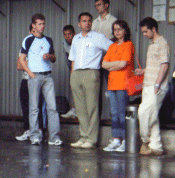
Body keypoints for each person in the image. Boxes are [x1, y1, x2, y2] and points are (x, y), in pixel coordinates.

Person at [69, 12, 112, 148]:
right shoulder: (75, 38)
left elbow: (112, 49)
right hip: (77, 73)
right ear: (79, 23)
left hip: (91, 73)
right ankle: (83, 136)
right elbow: (73, 58)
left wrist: (104, 62)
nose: (87, 23)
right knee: (80, 109)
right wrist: (72, 76)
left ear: (91, 23)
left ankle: (92, 139)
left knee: (92, 107)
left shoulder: (98, 37)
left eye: (89, 21)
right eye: (84, 21)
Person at [18, 13, 62, 146]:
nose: (42, 26)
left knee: (52, 107)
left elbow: (54, 58)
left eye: (43, 23)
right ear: (33, 25)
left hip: (47, 75)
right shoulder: (28, 39)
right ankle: (35, 136)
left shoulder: (48, 40)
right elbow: (21, 59)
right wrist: (31, 74)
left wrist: (49, 56)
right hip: (35, 75)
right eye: (39, 24)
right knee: (34, 107)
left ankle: (54, 138)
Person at [134, 17, 171, 155]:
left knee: (143, 112)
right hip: (147, 84)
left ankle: (144, 140)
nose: (144, 35)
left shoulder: (162, 43)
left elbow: (165, 65)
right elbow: (155, 65)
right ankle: (156, 147)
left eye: (145, 32)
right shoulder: (152, 44)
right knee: (153, 116)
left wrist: (157, 84)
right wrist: (143, 70)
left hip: (156, 85)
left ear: (153, 29)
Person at [101, 20, 135, 152]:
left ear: (125, 30)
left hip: (123, 84)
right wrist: (115, 65)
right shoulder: (112, 46)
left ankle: (126, 140)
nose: (117, 32)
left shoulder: (128, 44)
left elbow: (123, 64)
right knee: (114, 113)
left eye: (120, 29)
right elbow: (103, 64)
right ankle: (116, 139)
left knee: (122, 113)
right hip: (112, 84)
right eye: (115, 29)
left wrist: (112, 66)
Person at [16, 24, 47, 141]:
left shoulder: (42, 45)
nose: (34, 33)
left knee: (37, 105)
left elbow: (42, 64)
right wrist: (29, 64)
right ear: (30, 32)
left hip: (37, 79)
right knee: (25, 105)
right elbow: (19, 66)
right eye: (32, 31)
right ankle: (28, 130)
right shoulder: (25, 45)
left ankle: (39, 131)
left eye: (36, 31)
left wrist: (27, 63)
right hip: (25, 79)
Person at [61, 25, 77, 119]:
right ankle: (74, 110)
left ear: (74, 34)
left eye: (69, 34)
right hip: (71, 67)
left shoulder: (78, 41)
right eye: (65, 34)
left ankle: (77, 110)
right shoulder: (64, 43)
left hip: (80, 69)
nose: (67, 36)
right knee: (73, 89)